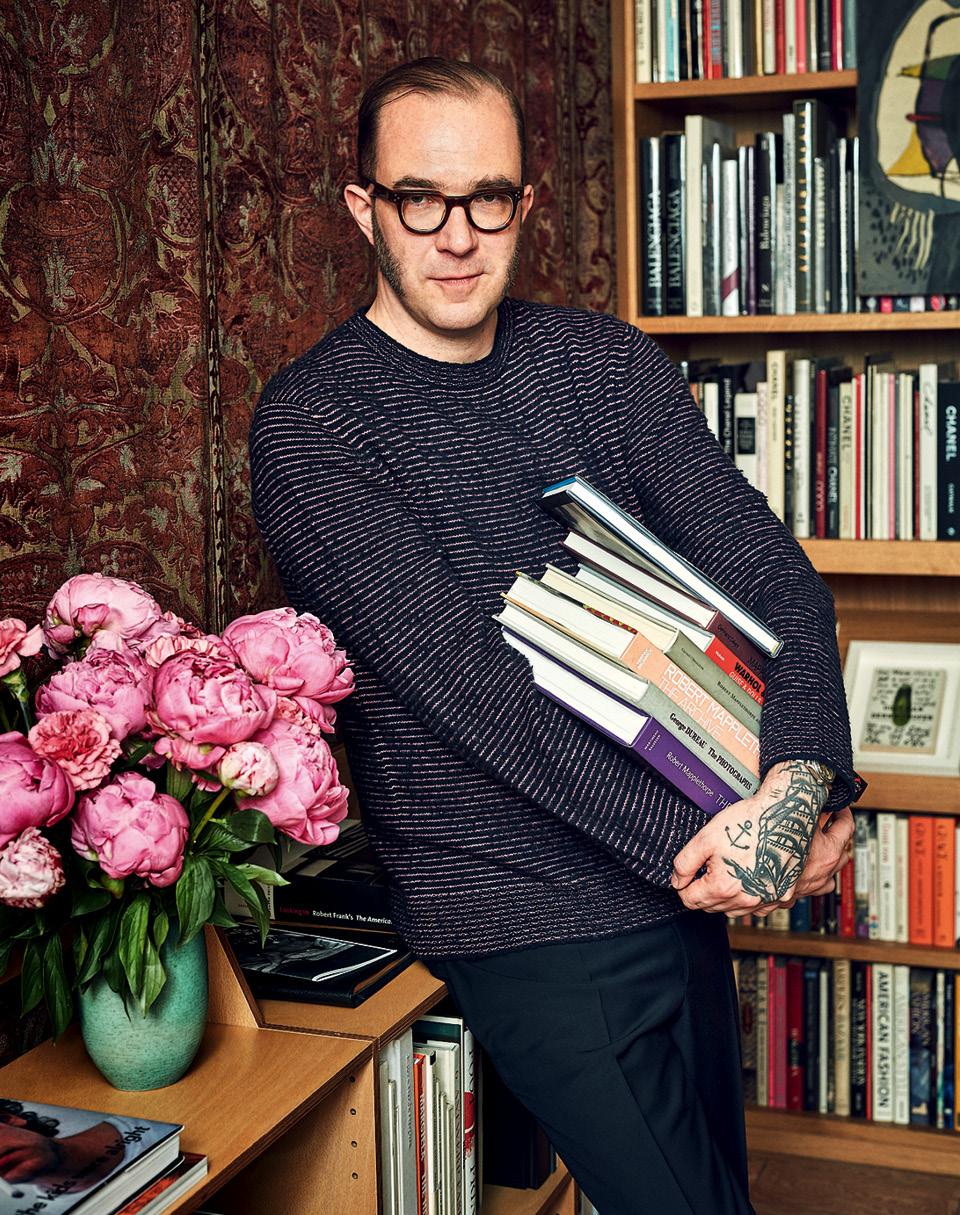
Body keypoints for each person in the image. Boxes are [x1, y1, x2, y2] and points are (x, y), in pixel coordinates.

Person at [248, 56, 859, 1215]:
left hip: (688, 878)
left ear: (526, 203)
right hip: (524, 911)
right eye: (419, 199)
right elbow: (479, 698)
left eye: (488, 197)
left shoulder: (602, 364)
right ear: (364, 208)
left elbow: (774, 577)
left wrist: (802, 782)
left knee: (718, 1192)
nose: (457, 235)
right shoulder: (313, 424)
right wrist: (728, 849)